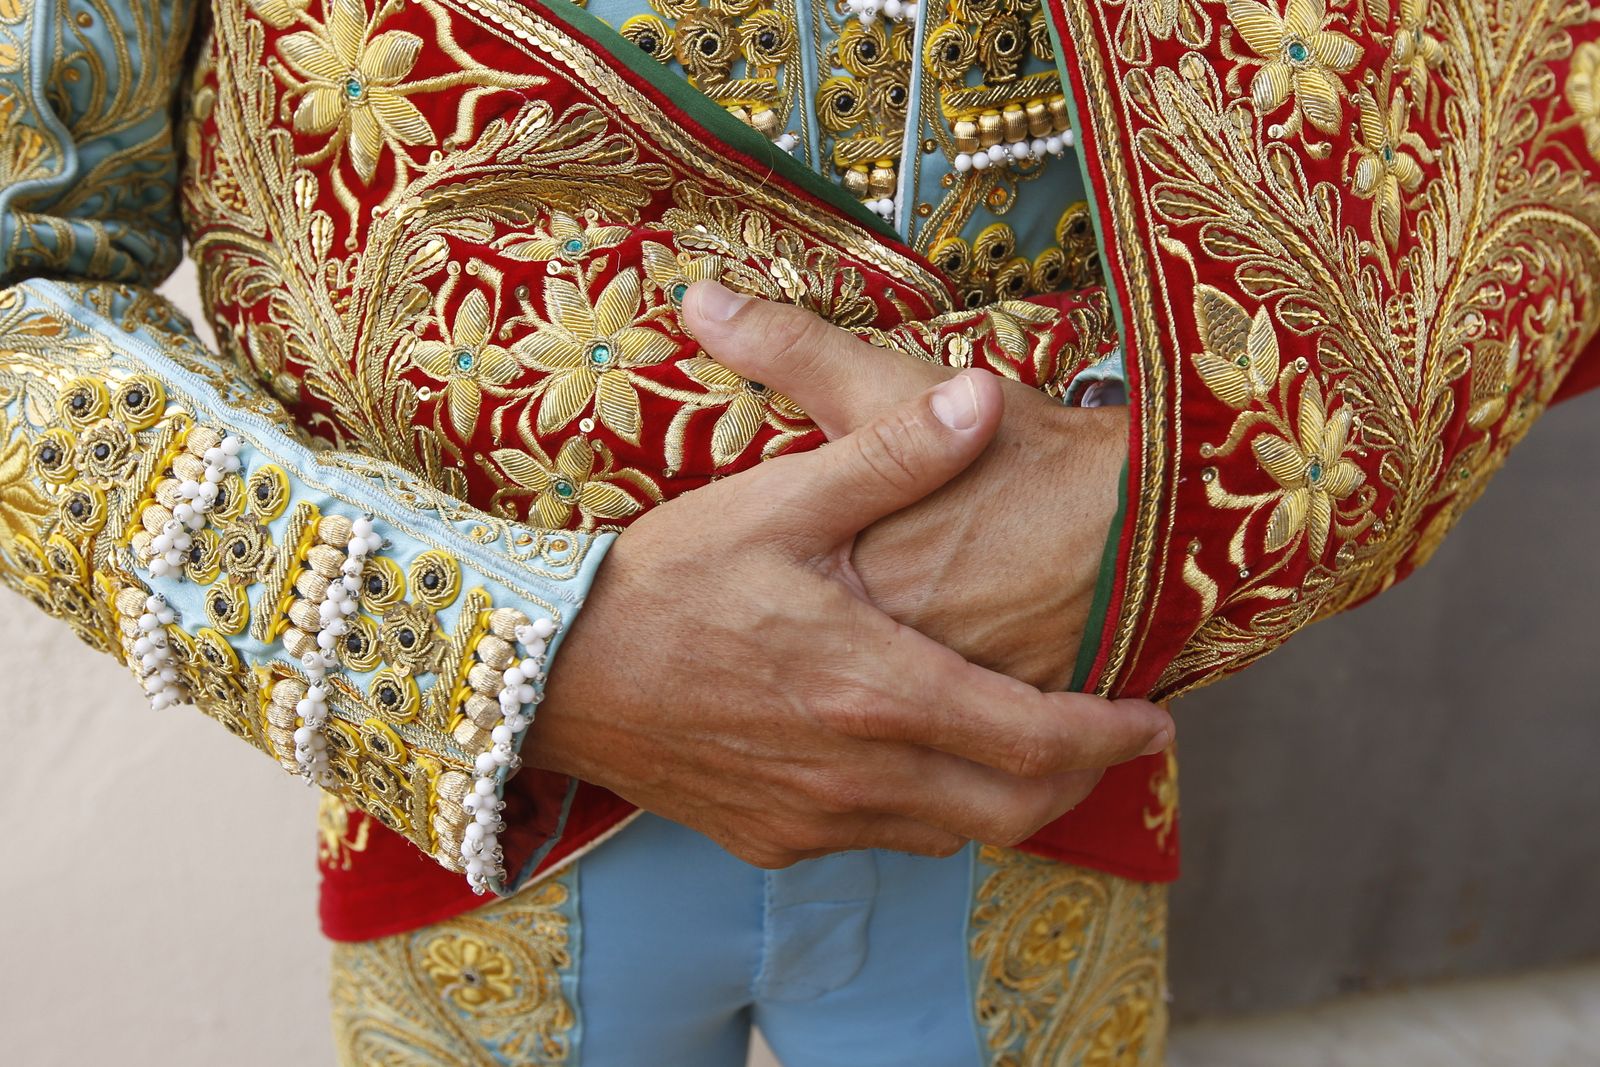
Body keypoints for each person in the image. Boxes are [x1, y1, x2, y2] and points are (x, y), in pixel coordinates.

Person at [0, 0, 1594, 1063]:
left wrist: (1179, 490)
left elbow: (1526, 81)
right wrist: (506, 652)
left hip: (1035, 746)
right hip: (501, 809)